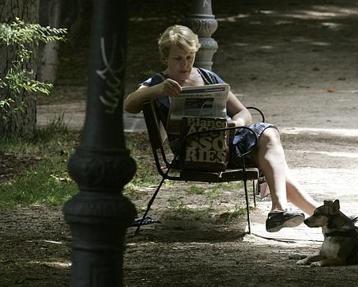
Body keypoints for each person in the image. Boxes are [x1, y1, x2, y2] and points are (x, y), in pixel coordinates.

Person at [124, 25, 319, 232]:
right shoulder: (158, 82)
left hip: (226, 144)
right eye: (178, 58)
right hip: (194, 153)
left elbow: (243, 113)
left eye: (190, 57)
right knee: (270, 151)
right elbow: (130, 104)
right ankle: (311, 214)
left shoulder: (207, 77)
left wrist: (235, 124)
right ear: (165, 59)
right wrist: (157, 90)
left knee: (269, 141)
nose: (185, 64)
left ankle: (289, 211)